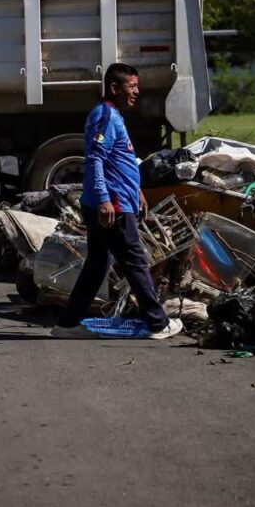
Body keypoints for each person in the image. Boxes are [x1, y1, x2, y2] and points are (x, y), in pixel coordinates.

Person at [51, 63, 183, 340]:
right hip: (113, 206)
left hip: (117, 199)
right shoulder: (106, 117)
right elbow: (96, 159)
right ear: (114, 88)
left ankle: (67, 324)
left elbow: (117, 160)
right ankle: (158, 323)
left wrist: (136, 189)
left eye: (137, 86)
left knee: (98, 264)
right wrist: (104, 201)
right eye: (131, 87)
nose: (136, 92)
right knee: (134, 262)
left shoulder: (112, 115)